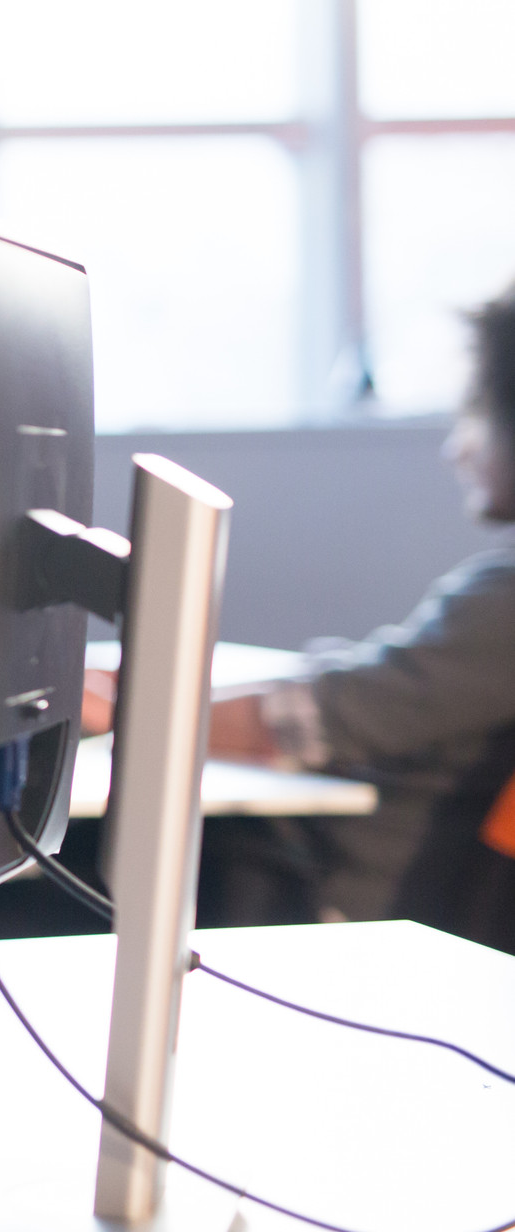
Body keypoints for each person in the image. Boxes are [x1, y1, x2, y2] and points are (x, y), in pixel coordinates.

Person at [206, 280, 515, 945]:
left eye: (478, 412)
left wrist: (124, 710)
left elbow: (310, 722)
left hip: (352, 903)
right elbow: (390, 685)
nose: (458, 448)